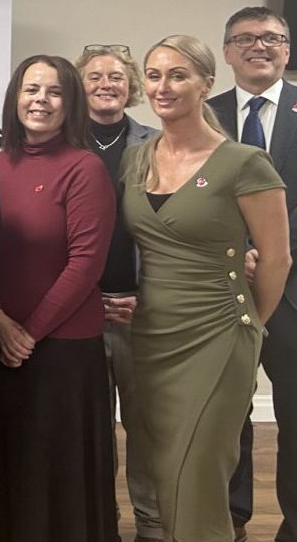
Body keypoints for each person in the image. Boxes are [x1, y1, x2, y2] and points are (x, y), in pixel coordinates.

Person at [123, 28, 291, 542]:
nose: (163, 87)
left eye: (178, 75)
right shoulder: (139, 158)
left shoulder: (243, 162)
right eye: (154, 76)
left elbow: (277, 260)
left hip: (218, 336)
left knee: (199, 473)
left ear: (205, 83)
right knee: (164, 470)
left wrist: (249, 327)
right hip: (151, 338)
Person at [0, 54, 118, 542]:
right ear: (14, 98)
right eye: (31, 89)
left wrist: (28, 333)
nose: (41, 100)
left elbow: (85, 265)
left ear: (70, 103)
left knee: (56, 472)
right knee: (7, 463)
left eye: (54, 92)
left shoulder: (85, 168)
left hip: (62, 351)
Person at [209, 7, 297, 542]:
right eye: (245, 38)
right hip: (219, 291)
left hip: (294, 294)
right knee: (224, 415)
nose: (258, 46)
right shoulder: (205, 114)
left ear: (287, 49)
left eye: (271, 38)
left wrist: (274, 252)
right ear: (226, 51)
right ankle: (230, 517)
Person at [75, 44, 161, 542]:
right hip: (80, 312)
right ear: (79, 86)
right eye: (94, 76)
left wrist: (144, 294)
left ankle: (150, 526)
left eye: (116, 76)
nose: (106, 83)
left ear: (131, 86)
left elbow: (168, 231)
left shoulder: (157, 143)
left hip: (139, 311)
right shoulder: (64, 144)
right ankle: (100, 522)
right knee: (92, 434)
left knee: (146, 431)